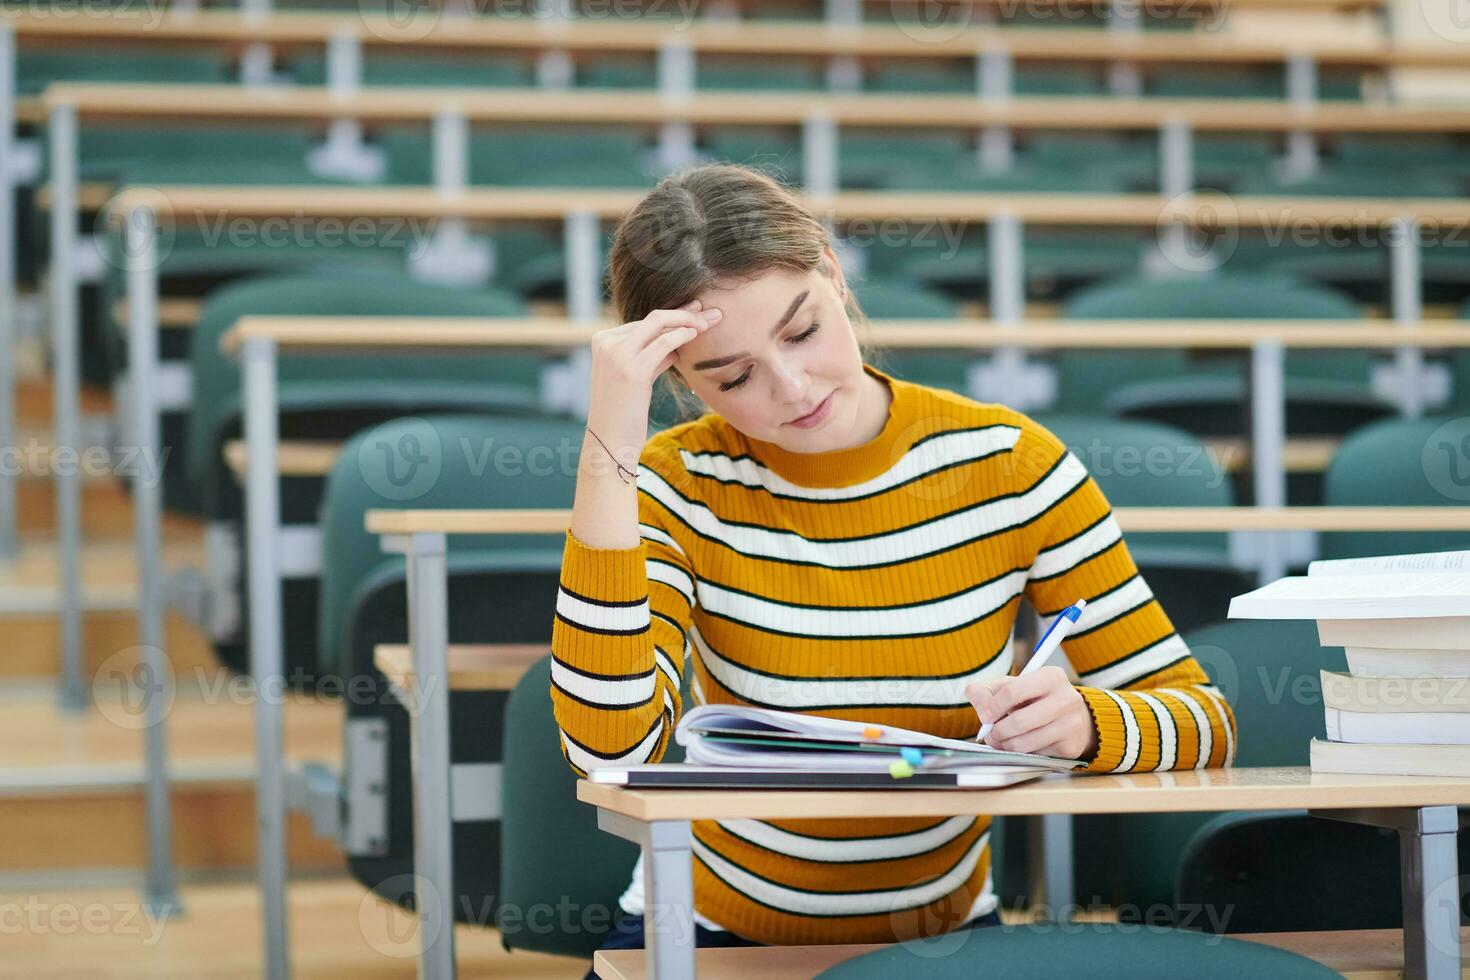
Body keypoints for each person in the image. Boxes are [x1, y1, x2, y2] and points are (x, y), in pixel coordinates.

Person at [550, 164, 1237, 967]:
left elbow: (1204, 721)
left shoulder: (1009, 464)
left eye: (801, 332)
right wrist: (609, 455)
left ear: (834, 276)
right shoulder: (675, 483)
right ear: (677, 378)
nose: (792, 386)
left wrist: (1089, 724)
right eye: (732, 377)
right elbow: (609, 751)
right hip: (702, 936)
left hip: (942, 944)